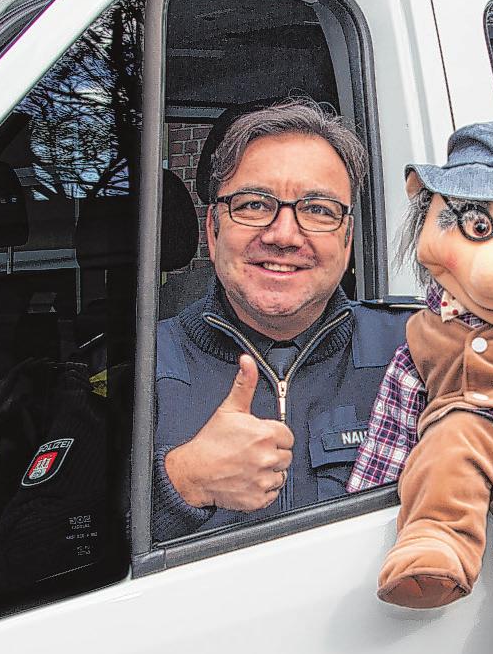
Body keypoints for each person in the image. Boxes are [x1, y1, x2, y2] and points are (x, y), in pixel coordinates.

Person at [153, 99, 411, 541]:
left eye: (318, 210)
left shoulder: (422, 353)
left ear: (347, 241)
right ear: (213, 231)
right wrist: (182, 484)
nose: (283, 236)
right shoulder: (137, 369)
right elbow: (33, 553)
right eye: (254, 205)